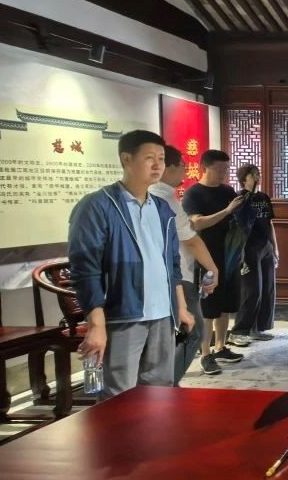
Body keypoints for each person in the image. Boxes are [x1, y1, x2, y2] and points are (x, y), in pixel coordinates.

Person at [68, 129, 195, 397]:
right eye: (149, 158)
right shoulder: (98, 205)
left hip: (162, 314)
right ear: (126, 159)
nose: (157, 165)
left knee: (160, 392)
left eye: (161, 158)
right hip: (124, 314)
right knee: (119, 395)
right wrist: (96, 324)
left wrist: (181, 307)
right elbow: (85, 268)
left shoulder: (161, 208)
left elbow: (172, 264)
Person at [150, 146, 221, 384]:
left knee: (171, 335)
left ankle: (161, 384)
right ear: (168, 167)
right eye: (182, 165)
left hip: (166, 277)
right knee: (194, 331)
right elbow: (191, 241)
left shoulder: (154, 195)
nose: (185, 170)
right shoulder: (165, 198)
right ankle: (165, 385)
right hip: (178, 277)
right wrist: (213, 268)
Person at [183, 149, 251, 375]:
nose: (224, 173)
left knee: (226, 304)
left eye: (226, 169)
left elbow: (236, 222)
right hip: (206, 257)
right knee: (207, 306)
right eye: (220, 169)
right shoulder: (193, 194)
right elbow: (197, 223)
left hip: (230, 256)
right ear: (205, 167)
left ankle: (220, 346)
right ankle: (205, 353)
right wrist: (227, 210)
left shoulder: (227, 191)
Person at [229, 164, 277, 346]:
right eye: (253, 175)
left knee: (267, 289)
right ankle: (239, 331)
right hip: (249, 248)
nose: (257, 177)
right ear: (244, 179)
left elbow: (269, 223)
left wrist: (275, 247)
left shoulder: (263, 197)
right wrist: (240, 252)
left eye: (258, 174)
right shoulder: (239, 199)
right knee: (252, 290)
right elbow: (237, 228)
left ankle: (257, 328)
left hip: (266, 246)